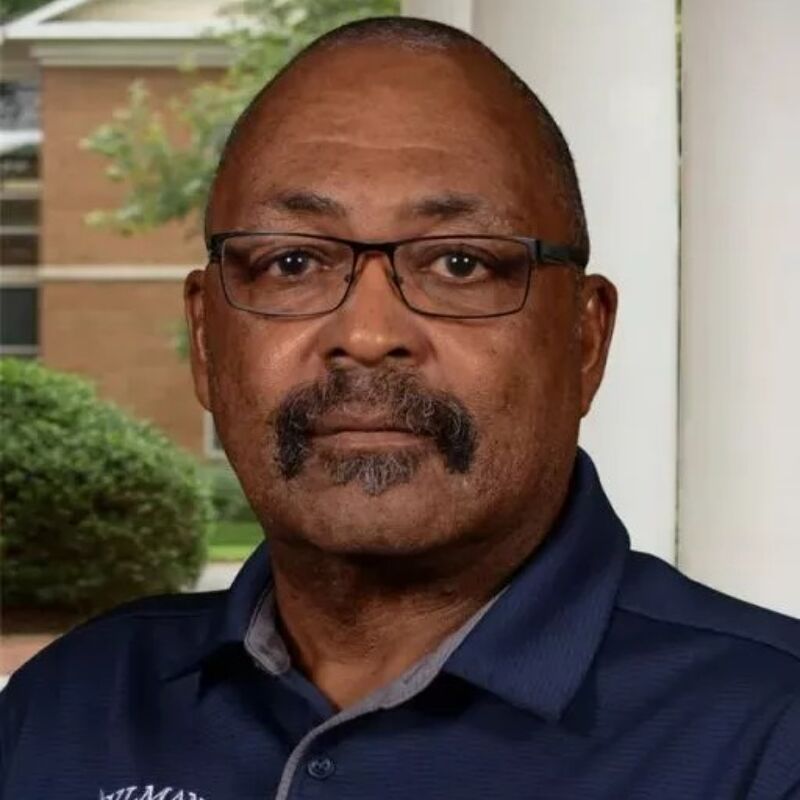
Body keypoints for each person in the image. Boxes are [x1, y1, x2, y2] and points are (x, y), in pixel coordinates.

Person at [1, 16, 799, 800]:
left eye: (459, 263)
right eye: (293, 262)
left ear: (584, 341)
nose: (369, 332)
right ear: (206, 340)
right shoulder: (66, 708)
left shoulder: (768, 739)